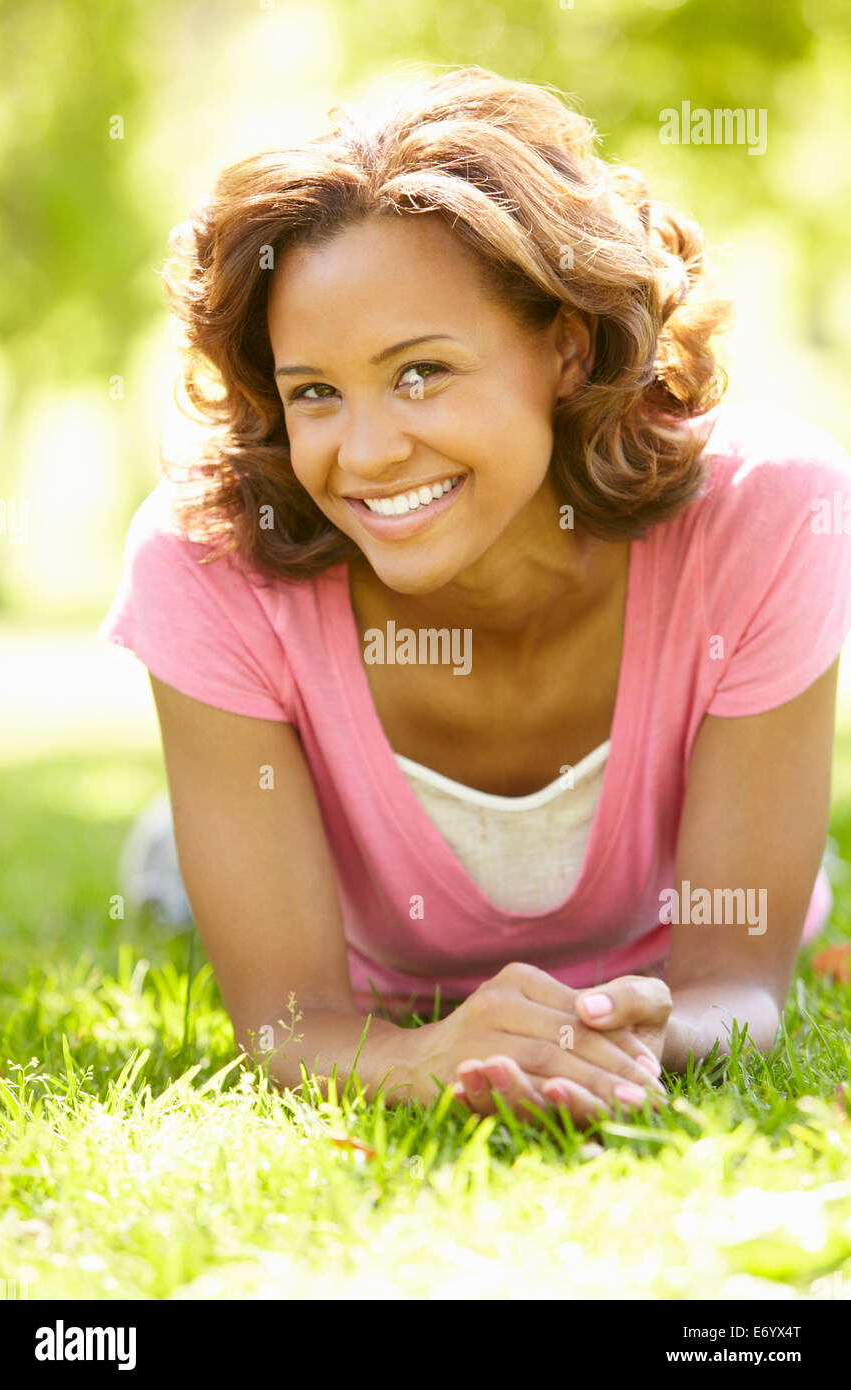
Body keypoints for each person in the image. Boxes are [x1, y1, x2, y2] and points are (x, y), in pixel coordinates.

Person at [100, 64, 851, 1128]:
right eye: (314, 390)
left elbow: (732, 985)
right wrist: (423, 1054)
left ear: (564, 347)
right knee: (177, 880)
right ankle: (179, 850)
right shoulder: (208, 561)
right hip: (367, 940)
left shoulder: (768, 512)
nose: (363, 453)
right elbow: (290, 1028)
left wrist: (635, 1036)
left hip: (648, 924)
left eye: (420, 373)